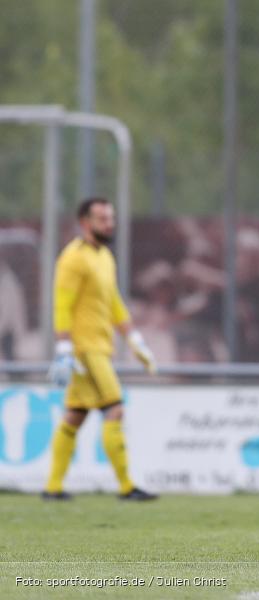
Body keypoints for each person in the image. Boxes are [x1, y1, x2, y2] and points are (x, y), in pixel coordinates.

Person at [43, 197, 158, 501]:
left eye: (111, 218)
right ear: (85, 222)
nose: (110, 224)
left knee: (75, 415)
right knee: (114, 407)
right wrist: (64, 346)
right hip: (85, 351)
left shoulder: (104, 256)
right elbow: (62, 304)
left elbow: (114, 302)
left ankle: (52, 488)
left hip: (100, 347)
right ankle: (126, 487)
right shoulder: (73, 258)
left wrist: (135, 339)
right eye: (103, 219)